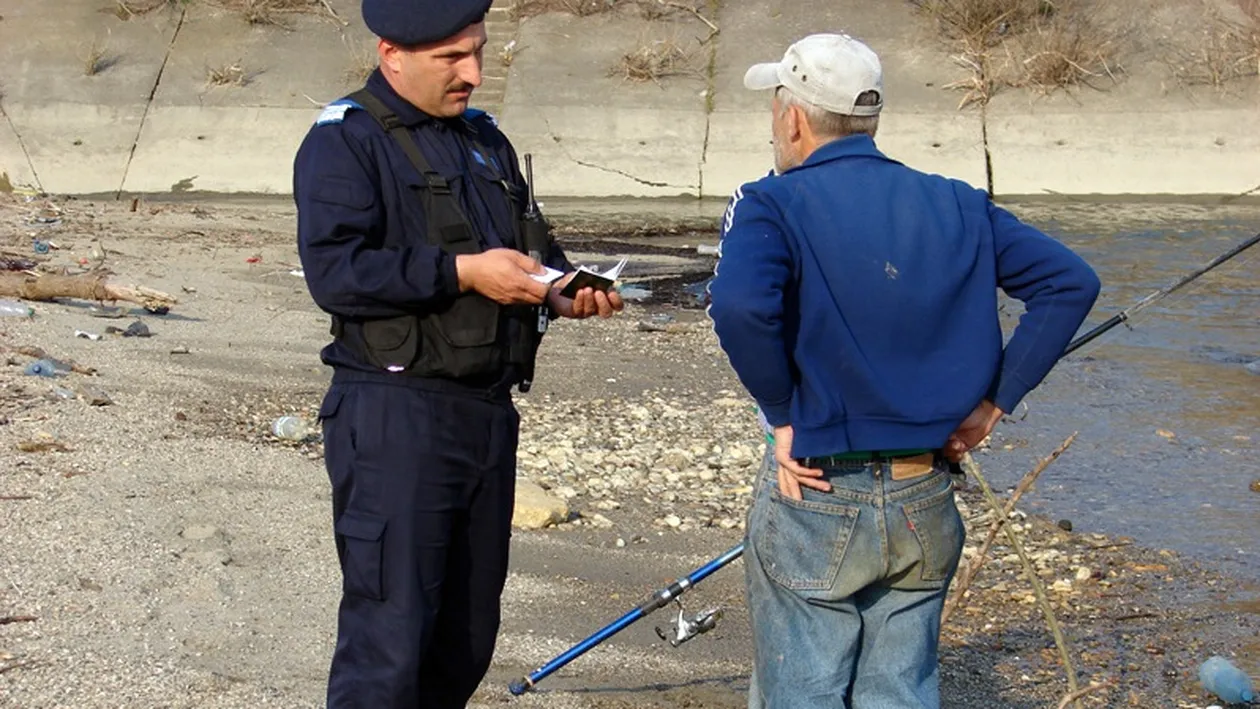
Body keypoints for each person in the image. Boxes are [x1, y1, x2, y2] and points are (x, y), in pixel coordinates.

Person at [707, 33, 1101, 709]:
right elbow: (1070, 282)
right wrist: (995, 402)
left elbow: (740, 306)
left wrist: (781, 416)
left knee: (802, 684)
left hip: (818, 488)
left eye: (776, 104)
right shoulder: (956, 200)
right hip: (924, 490)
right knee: (901, 689)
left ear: (791, 116)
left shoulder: (768, 202)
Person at [291, 1, 624, 706]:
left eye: (477, 51)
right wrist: (462, 273)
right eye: (452, 59)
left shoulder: (485, 140)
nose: (472, 73)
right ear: (393, 54)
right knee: (390, 637)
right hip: (392, 413)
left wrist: (558, 287)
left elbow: (533, 249)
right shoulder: (345, 140)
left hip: (485, 414)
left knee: (467, 636)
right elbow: (336, 274)